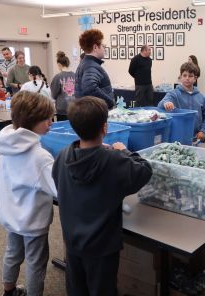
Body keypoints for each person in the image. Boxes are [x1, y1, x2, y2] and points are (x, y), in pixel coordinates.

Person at [52, 96, 152, 296]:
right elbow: (145, 171)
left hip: (72, 240)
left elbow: (57, 180)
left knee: (76, 288)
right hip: (102, 247)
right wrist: (124, 151)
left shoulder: (63, 155)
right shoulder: (114, 160)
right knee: (103, 290)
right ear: (105, 128)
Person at [0, 90, 57, 296]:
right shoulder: (40, 157)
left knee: (12, 253)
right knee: (36, 263)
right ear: (32, 121)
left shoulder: (6, 142)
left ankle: (9, 290)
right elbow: (59, 189)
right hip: (33, 220)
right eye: (47, 119)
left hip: (12, 214)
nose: (51, 122)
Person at [157, 62, 205, 142]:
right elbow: (160, 105)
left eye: (190, 76)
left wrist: (203, 131)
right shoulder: (174, 93)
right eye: (184, 75)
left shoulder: (201, 97)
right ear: (180, 77)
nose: (187, 78)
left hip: (196, 139)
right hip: (178, 138)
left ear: (195, 78)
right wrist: (166, 103)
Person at [75, 29, 114, 109]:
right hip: (94, 115)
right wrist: (109, 102)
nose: (104, 49)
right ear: (95, 47)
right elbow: (90, 88)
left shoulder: (86, 63)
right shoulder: (91, 65)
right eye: (104, 46)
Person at [51, 51, 75, 121]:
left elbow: (53, 94)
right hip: (74, 108)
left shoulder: (58, 77)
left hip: (62, 109)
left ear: (59, 64)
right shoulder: (75, 75)